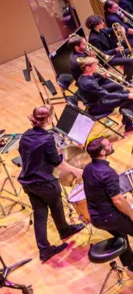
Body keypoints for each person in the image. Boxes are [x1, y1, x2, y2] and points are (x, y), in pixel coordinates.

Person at [82, 138, 133, 284]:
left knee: (121, 234)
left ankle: (129, 265)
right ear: (103, 152)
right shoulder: (108, 172)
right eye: (108, 145)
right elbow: (117, 200)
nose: (112, 145)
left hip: (96, 217)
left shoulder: (87, 168)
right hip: (109, 216)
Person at [17, 106, 86, 261]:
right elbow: (56, 162)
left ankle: (45, 249)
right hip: (44, 183)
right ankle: (64, 230)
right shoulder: (47, 138)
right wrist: (76, 170)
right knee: (56, 206)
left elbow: (32, 154)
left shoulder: (26, 135)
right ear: (48, 119)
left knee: (40, 214)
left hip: (28, 182)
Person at [75, 57, 133, 130]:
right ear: (88, 68)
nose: (98, 66)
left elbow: (95, 81)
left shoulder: (83, 77)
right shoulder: (88, 83)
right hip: (97, 106)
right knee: (130, 99)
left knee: (126, 92)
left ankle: (126, 111)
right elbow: (106, 95)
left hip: (98, 99)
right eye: (95, 65)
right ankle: (128, 125)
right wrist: (127, 96)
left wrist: (102, 76)